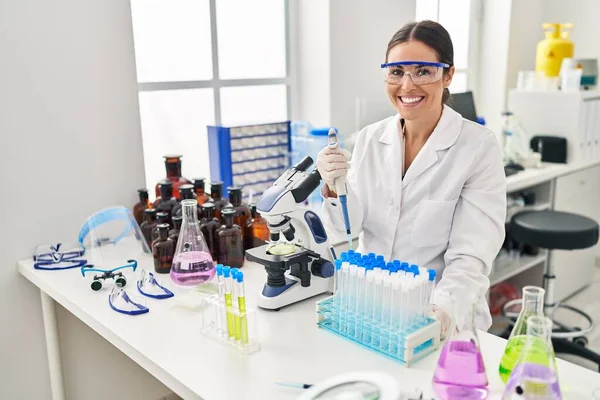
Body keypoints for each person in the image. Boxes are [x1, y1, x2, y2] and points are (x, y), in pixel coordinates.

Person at [317, 20, 506, 336]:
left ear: (447, 75)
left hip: (439, 311)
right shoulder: (368, 138)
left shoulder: (477, 147)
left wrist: (441, 313)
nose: (407, 85)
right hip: (369, 307)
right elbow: (349, 228)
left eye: (423, 71)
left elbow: (470, 256)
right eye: (396, 72)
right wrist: (336, 187)